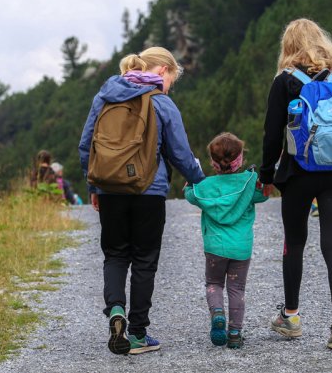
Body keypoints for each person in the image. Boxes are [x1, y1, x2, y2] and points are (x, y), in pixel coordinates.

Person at [79, 47, 206, 355]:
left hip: (109, 189)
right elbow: (179, 153)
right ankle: (136, 333)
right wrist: (201, 182)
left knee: (115, 255)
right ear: (162, 70)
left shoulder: (105, 96)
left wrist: (94, 186)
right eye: (172, 78)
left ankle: (116, 311)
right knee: (145, 261)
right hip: (149, 191)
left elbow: (86, 145)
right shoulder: (161, 102)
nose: (170, 85)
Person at [259, 18, 332, 352]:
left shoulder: (285, 82)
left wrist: (265, 176)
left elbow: (272, 134)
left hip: (297, 173)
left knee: (294, 242)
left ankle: (291, 317)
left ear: (288, 46)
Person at [184, 132, 268, 349]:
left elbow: (189, 194)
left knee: (214, 283)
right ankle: (234, 334)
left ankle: (218, 313)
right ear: (240, 159)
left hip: (214, 248)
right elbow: (264, 194)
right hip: (241, 248)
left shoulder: (205, 187)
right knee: (237, 289)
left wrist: (189, 180)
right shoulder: (249, 182)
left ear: (214, 163)